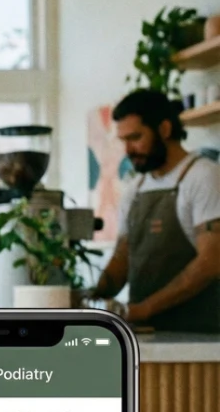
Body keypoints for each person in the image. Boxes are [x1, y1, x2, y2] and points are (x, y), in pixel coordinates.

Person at [89, 89, 220, 332]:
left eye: (136, 137)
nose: (128, 150)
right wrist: (89, 297)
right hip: (147, 333)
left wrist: (144, 309)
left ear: (165, 130)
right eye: (123, 140)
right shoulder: (134, 189)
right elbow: (122, 258)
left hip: (200, 336)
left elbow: (211, 262)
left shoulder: (204, 177)